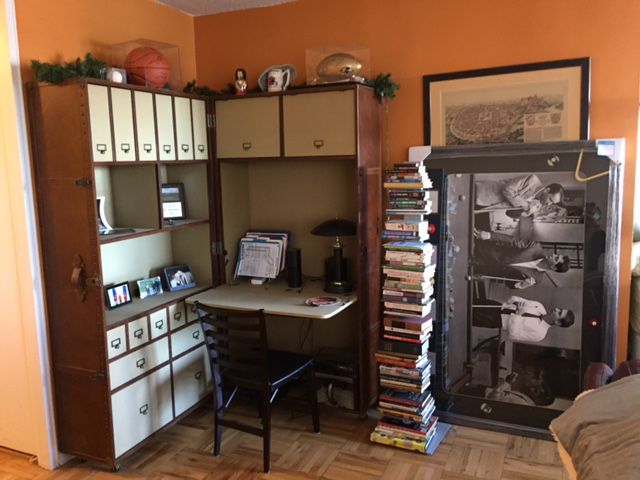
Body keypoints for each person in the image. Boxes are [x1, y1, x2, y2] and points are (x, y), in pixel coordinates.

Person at [473, 229, 570, 289]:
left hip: (482, 270)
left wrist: (521, 285)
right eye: (557, 255)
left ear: (553, 267)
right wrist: (489, 235)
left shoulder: (537, 279)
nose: (553, 255)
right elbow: (512, 240)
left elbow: (509, 283)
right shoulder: (535, 247)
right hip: (483, 251)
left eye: (556, 258)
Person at [472, 295, 575, 342]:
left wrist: (518, 315)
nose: (556, 309)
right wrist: (514, 301)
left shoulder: (540, 335)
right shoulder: (540, 306)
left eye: (559, 312)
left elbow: (512, 335)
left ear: (558, 322)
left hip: (494, 320)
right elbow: (515, 299)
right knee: (469, 299)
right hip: (498, 306)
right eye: (560, 309)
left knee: (466, 315)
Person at [475, 174, 565, 215]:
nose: (548, 204)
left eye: (552, 203)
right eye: (550, 199)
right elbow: (507, 189)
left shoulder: (536, 204)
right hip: (481, 193)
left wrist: (527, 213)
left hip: (485, 207)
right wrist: (525, 205)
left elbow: (509, 213)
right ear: (547, 190)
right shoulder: (532, 180)